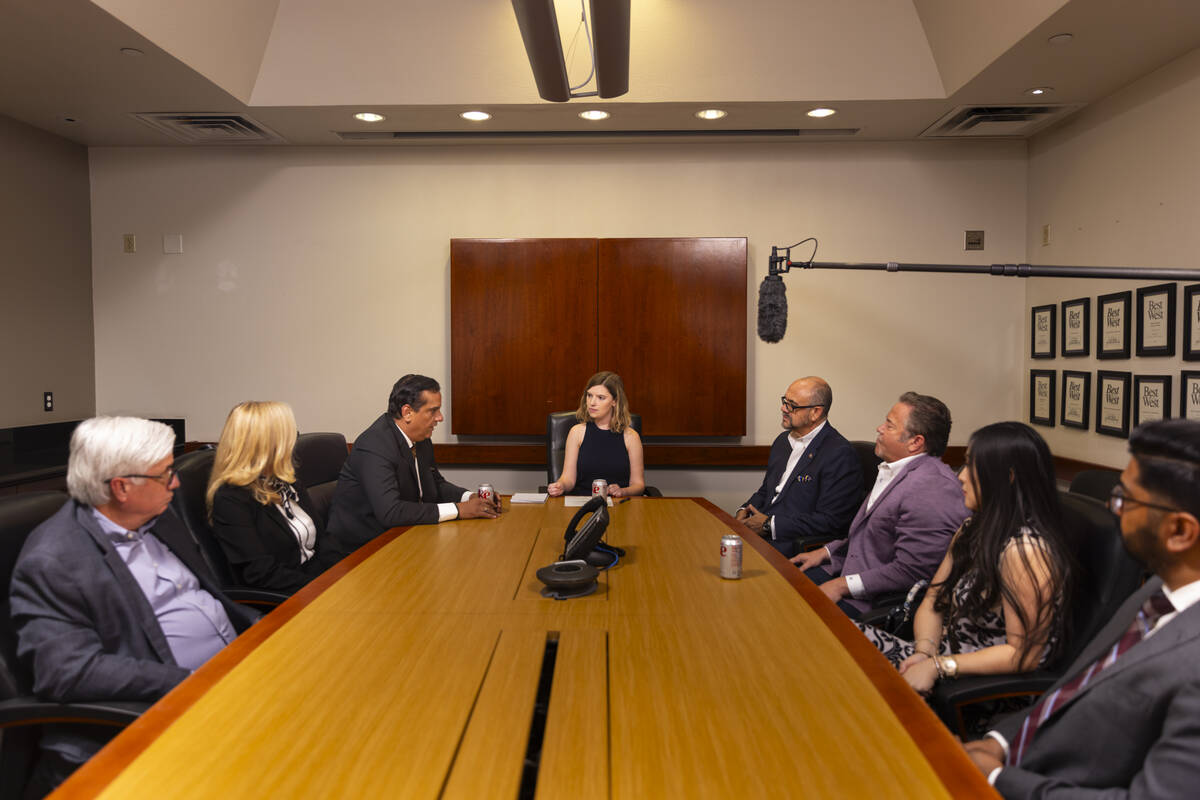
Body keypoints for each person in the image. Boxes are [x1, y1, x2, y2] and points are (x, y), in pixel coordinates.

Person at [9, 417, 258, 796]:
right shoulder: (54, 559)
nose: (175, 483)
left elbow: (211, 596)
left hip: (230, 686)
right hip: (151, 723)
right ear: (121, 487)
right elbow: (68, 671)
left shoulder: (158, 515)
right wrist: (193, 684)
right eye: (165, 474)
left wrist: (264, 636)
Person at [964, 419, 1200, 797]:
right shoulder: (1158, 589)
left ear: (1179, 532)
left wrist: (997, 779)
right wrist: (999, 742)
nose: (1113, 509)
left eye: (1125, 498)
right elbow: (1072, 692)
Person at [856, 422, 1075, 697]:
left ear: (1007, 477)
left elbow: (1025, 654)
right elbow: (934, 599)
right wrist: (924, 651)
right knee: (838, 638)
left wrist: (939, 666)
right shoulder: (973, 528)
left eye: (972, 466)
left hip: (980, 687)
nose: (961, 476)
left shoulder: (1026, 551)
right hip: (942, 657)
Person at [791, 392, 969, 617]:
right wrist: (827, 551)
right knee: (780, 588)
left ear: (915, 442)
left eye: (889, 425)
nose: (879, 428)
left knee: (789, 620)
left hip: (873, 603)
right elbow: (874, 534)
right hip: (843, 569)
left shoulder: (933, 487)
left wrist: (841, 585)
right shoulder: (895, 468)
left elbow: (913, 570)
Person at [325, 374, 500, 556]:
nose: (440, 418)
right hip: (357, 552)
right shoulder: (374, 445)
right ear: (407, 412)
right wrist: (458, 510)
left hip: (399, 539)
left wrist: (470, 499)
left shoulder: (421, 439)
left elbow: (435, 485)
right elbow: (390, 512)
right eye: (433, 411)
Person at [206, 401, 338, 595]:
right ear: (265, 443)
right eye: (290, 434)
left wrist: (345, 572)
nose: (294, 440)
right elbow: (261, 574)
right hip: (288, 597)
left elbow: (322, 542)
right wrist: (323, 588)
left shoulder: (286, 481)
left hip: (317, 583)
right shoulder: (231, 499)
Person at [733, 376, 862, 558]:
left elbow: (831, 521)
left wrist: (770, 525)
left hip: (793, 545)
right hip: (760, 536)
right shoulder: (782, 442)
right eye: (784, 401)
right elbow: (766, 492)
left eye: (792, 405)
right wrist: (743, 510)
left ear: (816, 412)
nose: (783, 408)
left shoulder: (839, 454)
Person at [547, 371, 645, 498]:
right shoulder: (577, 432)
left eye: (600, 397)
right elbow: (568, 479)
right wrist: (561, 485)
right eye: (589, 395)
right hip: (582, 504)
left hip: (618, 504)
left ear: (614, 401)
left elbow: (638, 485)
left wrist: (623, 491)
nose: (592, 402)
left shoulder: (631, 437)